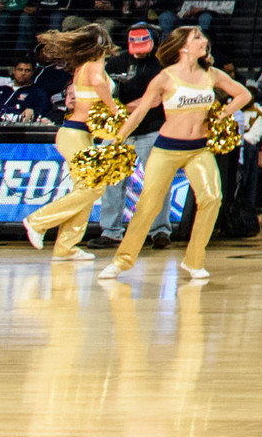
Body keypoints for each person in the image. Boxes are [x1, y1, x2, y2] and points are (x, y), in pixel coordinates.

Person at [97, 26, 251, 282]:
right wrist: (117, 140)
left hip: (199, 150)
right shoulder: (164, 77)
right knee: (148, 205)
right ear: (183, 47)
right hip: (166, 149)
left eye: (203, 36)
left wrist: (221, 115)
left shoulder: (211, 73)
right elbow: (139, 112)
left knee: (212, 198)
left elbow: (243, 94)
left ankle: (194, 260)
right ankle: (122, 261)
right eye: (197, 37)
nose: (204, 41)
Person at [19, 23, 119, 260]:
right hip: (74, 134)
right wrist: (115, 110)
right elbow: (99, 83)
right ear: (100, 43)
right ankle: (37, 221)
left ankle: (66, 247)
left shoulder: (86, 66)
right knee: (94, 187)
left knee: (84, 188)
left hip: (81, 134)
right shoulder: (93, 67)